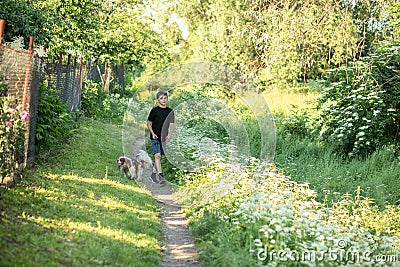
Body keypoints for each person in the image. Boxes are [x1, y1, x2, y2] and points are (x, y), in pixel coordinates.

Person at [147, 90, 175, 184]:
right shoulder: (154, 111)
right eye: (161, 98)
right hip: (155, 136)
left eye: (165, 98)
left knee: (159, 157)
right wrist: (152, 133)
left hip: (163, 137)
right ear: (157, 100)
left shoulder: (170, 111)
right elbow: (149, 123)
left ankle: (153, 175)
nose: (163, 100)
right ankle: (161, 176)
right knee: (157, 155)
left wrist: (169, 135)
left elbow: (172, 125)